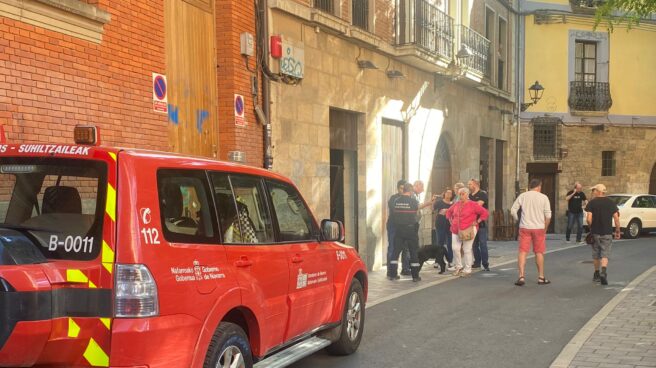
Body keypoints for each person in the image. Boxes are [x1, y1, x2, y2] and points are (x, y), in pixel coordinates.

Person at [510, 179, 552, 286]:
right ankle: (541, 277)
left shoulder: (523, 196)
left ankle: (521, 276)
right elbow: (548, 216)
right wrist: (545, 228)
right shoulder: (544, 197)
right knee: (539, 252)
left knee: (523, 251)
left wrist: (517, 220)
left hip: (525, 227)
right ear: (539, 186)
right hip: (539, 228)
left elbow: (513, 210)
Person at [446, 187, 489, 277]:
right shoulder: (456, 204)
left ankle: (468, 269)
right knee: (455, 248)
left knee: (467, 249)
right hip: (455, 229)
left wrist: (477, 221)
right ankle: (459, 266)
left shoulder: (473, 204)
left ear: (467, 194)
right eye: (459, 194)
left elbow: (485, 213)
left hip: (468, 229)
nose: (461, 196)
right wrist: (450, 220)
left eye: (463, 194)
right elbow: (449, 212)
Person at [584, 184, 620, 285]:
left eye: (593, 190)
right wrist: (617, 230)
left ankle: (596, 274)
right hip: (607, 232)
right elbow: (616, 218)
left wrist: (591, 226)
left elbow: (588, 219)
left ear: (597, 191)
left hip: (595, 232)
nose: (593, 192)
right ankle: (603, 272)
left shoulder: (591, 203)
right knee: (605, 253)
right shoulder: (611, 202)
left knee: (596, 254)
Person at [387, 183, 422, 282]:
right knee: (413, 251)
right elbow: (417, 210)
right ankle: (415, 276)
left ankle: (393, 274)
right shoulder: (413, 201)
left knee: (395, 252)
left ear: (403, 190)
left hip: (398, 230)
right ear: (410, 191)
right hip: (410, 230)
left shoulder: (396, 201)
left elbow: (393, 212)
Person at [387, 180, 411, 275]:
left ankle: (405, 269)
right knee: (393, 248)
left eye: (404, 188)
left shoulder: (409, 198)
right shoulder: (394, 198)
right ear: (398, 188)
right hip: (394, 226)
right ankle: (391, 271)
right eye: (401, 188)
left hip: (405, 226)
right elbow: (396, 210)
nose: (403, 190)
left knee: (405, 248)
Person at [468, 179, 490, 271]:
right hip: (471, 224)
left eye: (470, 184)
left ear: (475, 184)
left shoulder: (482, 194)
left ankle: (485, 264)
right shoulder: (469, 195)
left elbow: (478, 206)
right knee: (474, 244)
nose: (468, 186)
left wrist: (468, 206)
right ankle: (477, 262)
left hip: (481, 224)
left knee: (483, 244)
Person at [434, 188, 454, 270]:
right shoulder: (439, 202)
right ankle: (437, 261)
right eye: (447, 193)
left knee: (450, 244)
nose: (449, 194)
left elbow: (456, 212)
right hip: (440, 224)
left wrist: (448, 211)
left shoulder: (453, 203)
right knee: (440, 243)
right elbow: (433, 209)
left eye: (450, 193)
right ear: (444, 194)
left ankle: (450, 261)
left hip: (450, 225)